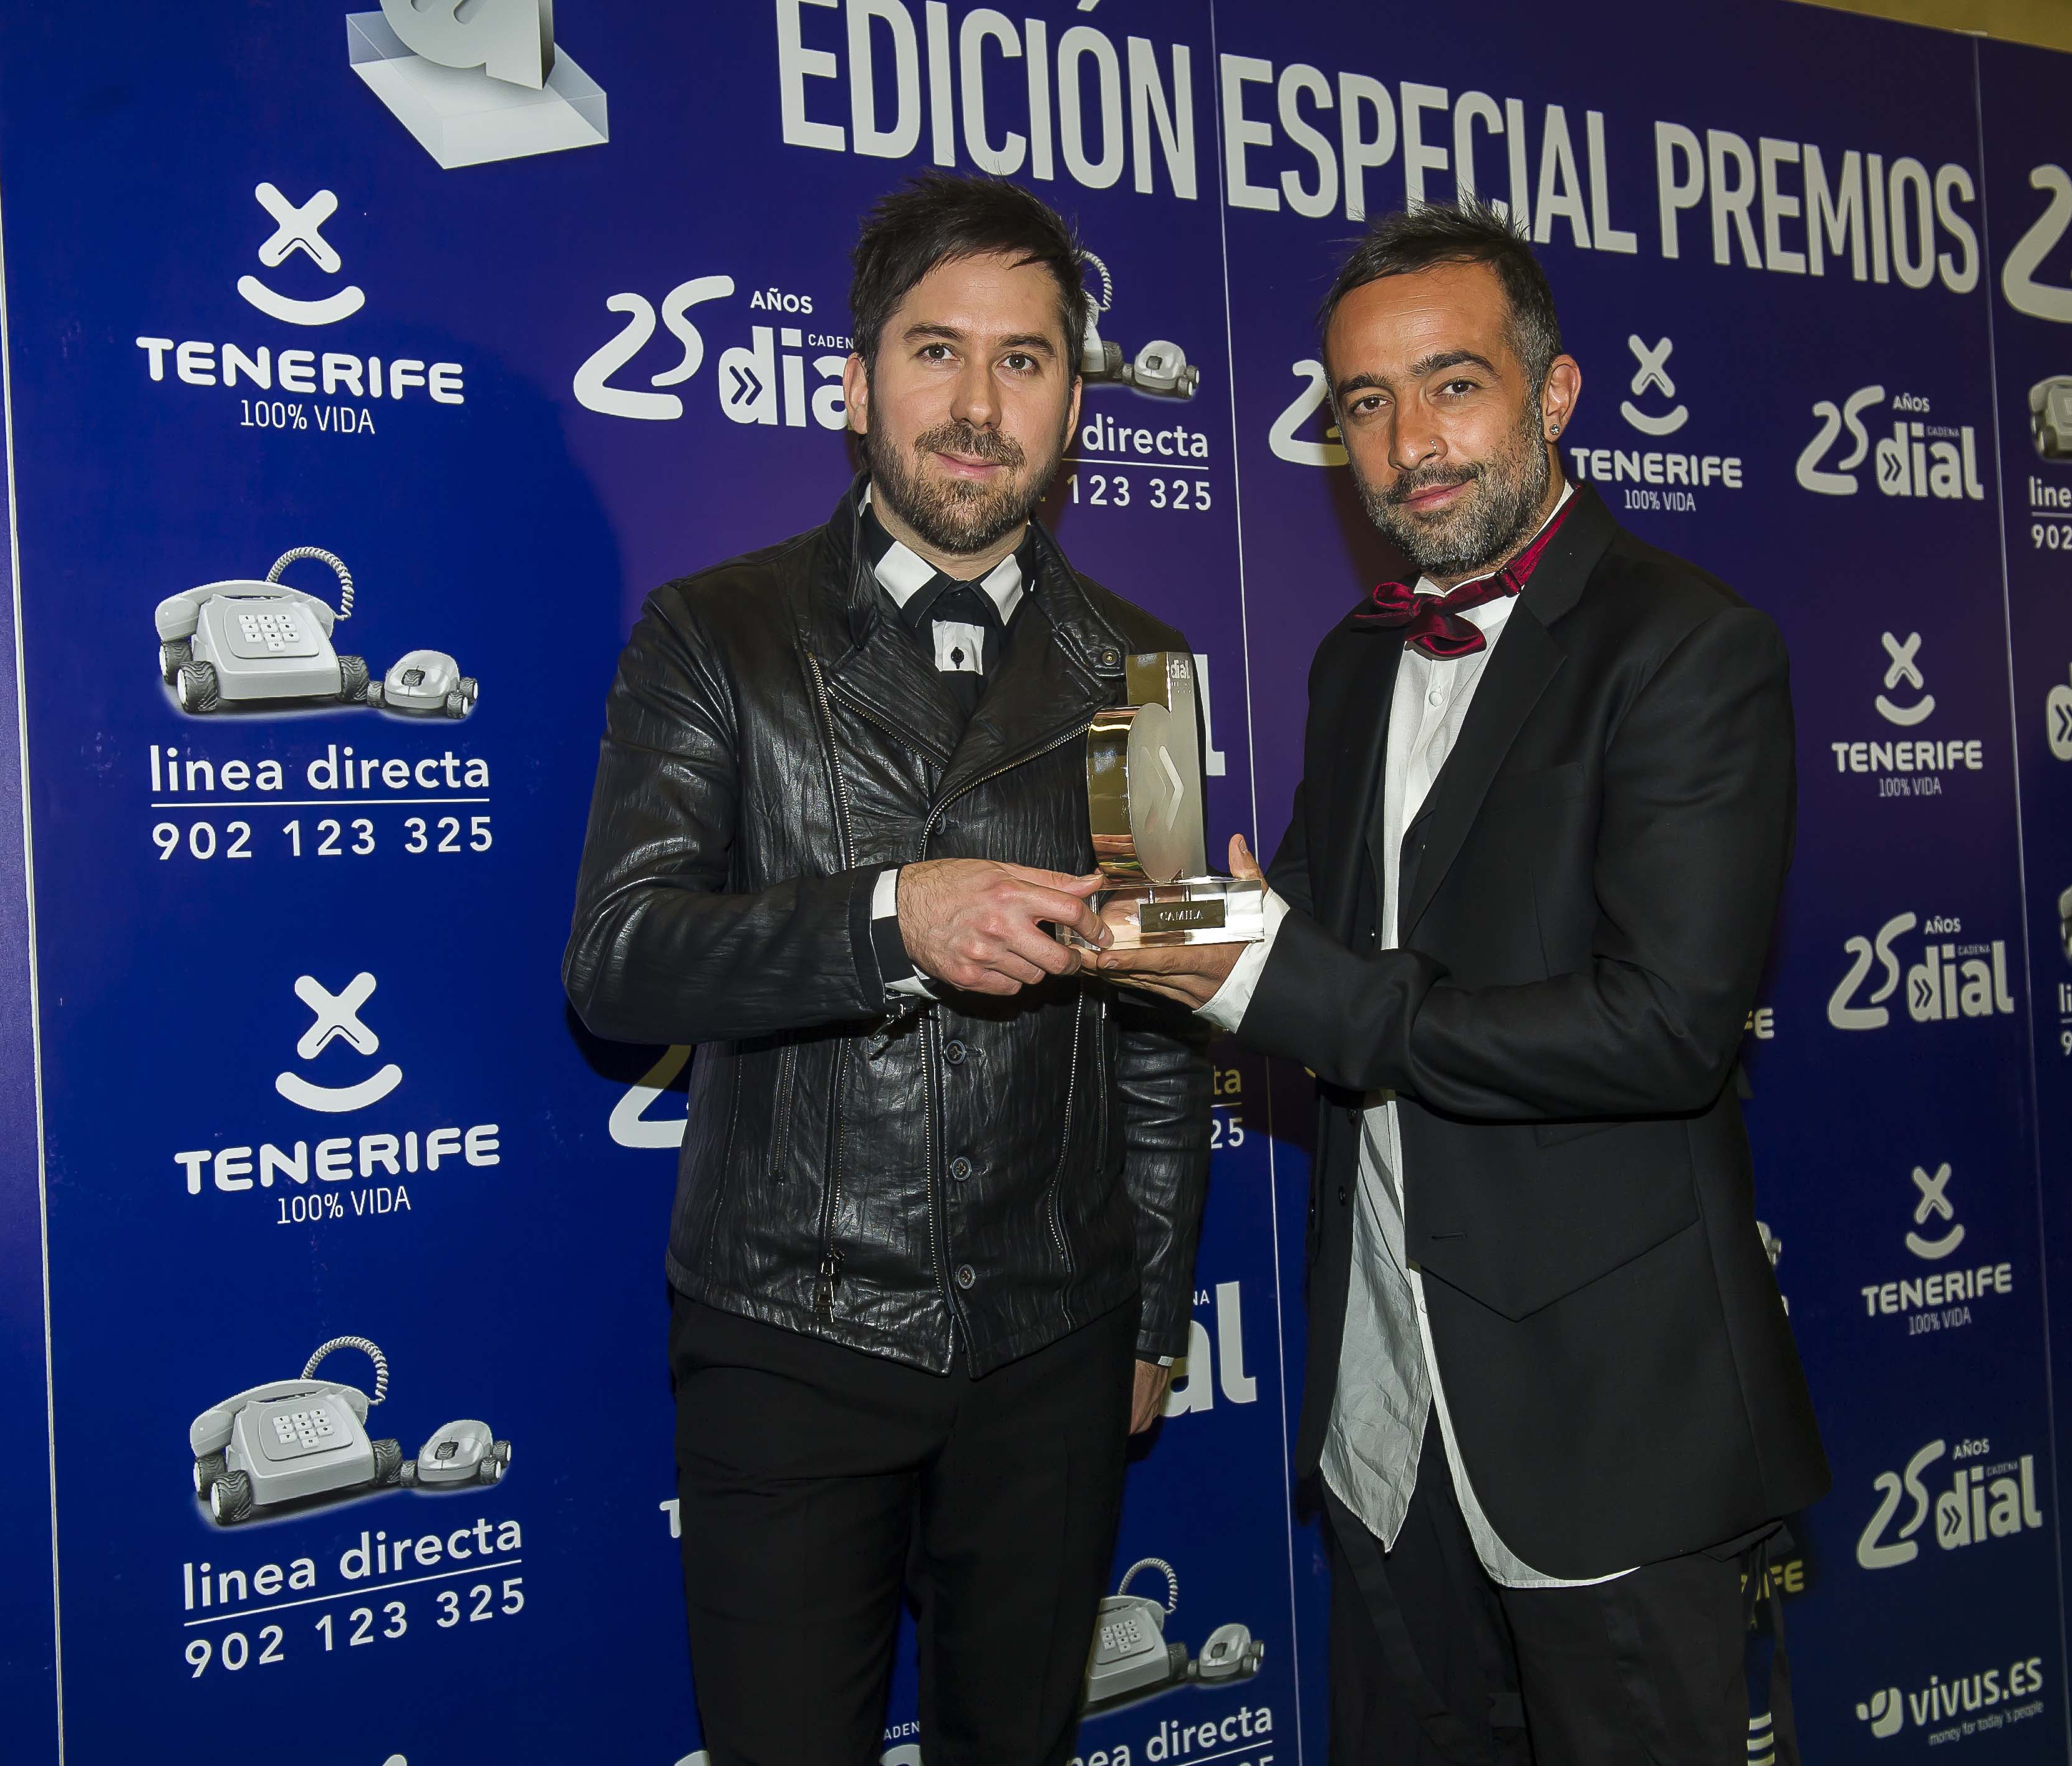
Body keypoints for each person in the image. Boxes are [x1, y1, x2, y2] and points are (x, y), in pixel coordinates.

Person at [1092, 202, 1828, 1766]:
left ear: (1553, 394)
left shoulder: (1688, 646)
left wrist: (1289, 978)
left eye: (1452, 385)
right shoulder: (1353, 660)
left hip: (1603, 1422)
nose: (1409, 444)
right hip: (1384, 1409)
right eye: (1365, 402)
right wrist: (1150, 921)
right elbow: (1306, 935)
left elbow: (1665, 1029)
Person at [562, 173, 1212, 1766]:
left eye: (1023, 360)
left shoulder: (1144, 672)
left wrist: (1151, 1315)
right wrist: (887, 920)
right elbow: (621, 964)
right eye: (936, 351)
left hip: (1055, 1336)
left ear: (1073, 407)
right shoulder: (712, 634)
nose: (978, 406)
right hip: (790, 1328)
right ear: (854, 388)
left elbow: (1158, 1024)